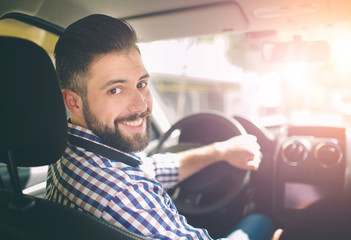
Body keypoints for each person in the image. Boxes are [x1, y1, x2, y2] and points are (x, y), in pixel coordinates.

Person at [46, 14, 274, 239]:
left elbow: (148, 168)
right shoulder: (123, 195)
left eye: (141, 84)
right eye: (115, 89)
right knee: (259, 222)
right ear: (73, 102)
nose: (141, 104)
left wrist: (220, 151)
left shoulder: (68, 151)